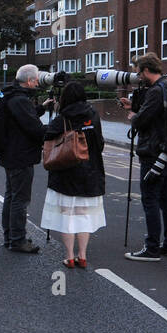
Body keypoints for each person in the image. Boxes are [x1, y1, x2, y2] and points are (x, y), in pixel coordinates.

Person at [40, 80, 106, 267]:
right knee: (83, 214)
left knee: (66, 214)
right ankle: (82, 255)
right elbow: (99, 144)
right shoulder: (93, 114)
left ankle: (69, 256)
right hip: (90, 173)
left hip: (66, 174)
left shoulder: (62, 118)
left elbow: (47, 138)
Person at [120, 53, 167, 261]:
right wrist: (134, 107)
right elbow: (157, 118)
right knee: (165, 198)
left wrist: (133, 116)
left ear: (146, 70)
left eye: (139, 72)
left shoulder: (156, 91)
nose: (138, 77)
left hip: (153, 153)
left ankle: (152, 248)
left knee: (150, 199)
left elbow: (143, 121)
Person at [0, 64, 48, 253]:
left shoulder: (12, 96)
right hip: (21, 155)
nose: (38, 83)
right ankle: (18, 240)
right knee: (20, 199)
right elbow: (33, 128)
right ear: (29, 81)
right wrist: (55, 129)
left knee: (11, 197)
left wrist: (41, 108)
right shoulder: (20, 100)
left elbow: (21, 119)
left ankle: (10, 236)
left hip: (10, 154)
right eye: (36, 80)